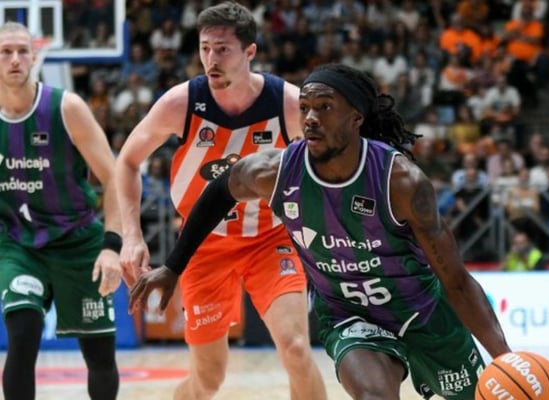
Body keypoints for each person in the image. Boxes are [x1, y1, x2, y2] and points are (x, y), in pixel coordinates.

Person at [129, 63, 511, 399]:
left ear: (356, 118)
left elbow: (457, 282)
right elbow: (219, 191)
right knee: (374, 395)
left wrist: (506, 361)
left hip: (420, 310)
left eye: (324, 107)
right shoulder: (276, 172)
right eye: (305, 107)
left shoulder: (401, 182)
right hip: (349, 315)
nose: (310, 118)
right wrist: (173, 266)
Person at [115, 3, 326, 400]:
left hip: (270, 238)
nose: (211, 59)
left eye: (223, 49)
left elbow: (335, 160)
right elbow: (127, 161)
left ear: (250, 52)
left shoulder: (289, 103)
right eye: (205, 48)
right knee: (208, 380)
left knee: (297, 349)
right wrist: (131, 235)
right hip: (202, 245)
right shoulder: (181, 103)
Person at [0, 22, 122, 400]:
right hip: (19, 244)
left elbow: (114, 177)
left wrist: (112, 247)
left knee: (99, 357)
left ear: (35, 56)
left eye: (22, 51)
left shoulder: (66, 107)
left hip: (78, 242)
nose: (15, 59)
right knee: (23, 335)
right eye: (5, 52)